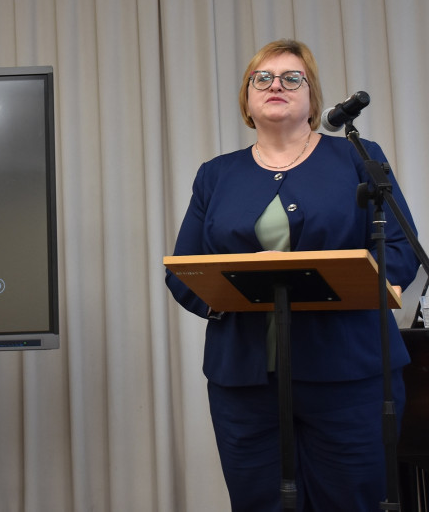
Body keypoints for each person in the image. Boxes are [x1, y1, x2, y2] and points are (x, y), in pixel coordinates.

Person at [165, 39, 420, 511]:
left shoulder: (357, 158)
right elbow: (185, 270)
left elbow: (401, 248)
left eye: (291, 78)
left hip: (351, 377)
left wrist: (357, 281)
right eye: (261, 78)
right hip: (244, 383)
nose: (275, 85)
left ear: (312, 96)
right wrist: (228, 296)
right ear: (247, 98)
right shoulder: (215, 175)